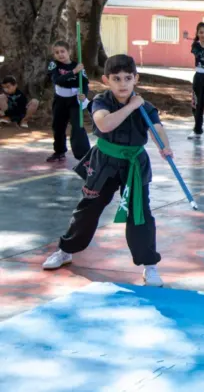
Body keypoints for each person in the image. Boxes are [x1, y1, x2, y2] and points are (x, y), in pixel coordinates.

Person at [41, 54, 169, 287]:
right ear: (106, 80)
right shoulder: (101, 101)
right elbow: (104, 124)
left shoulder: (147, 107)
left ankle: (149, 265)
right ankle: (66, 250)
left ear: (135, 79)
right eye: (116, 79)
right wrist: (132, 105)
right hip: (104, 162)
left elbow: (157, 128)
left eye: (127, 78)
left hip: (134, 163)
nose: (122, 84)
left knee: (140, 213)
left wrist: (165, 146)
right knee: (88, 208)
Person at [45, 40, 91, 162]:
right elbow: (57, 80)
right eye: (56, 52)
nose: (60, 54)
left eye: (62, 51)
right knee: (58, 126)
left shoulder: (78, 66)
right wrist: (73, 72)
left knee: (77, 126)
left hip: (74, 100)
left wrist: (84, 95)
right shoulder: (53, 65)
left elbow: (85, 83)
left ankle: (83, 155)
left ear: (69, 51)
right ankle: (59, 151)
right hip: (60, 100)